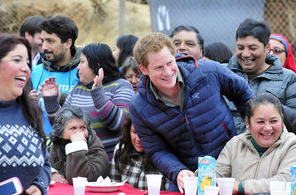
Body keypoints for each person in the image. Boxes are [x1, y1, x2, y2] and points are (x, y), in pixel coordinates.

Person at [130, 32, 253, 192]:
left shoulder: (208, 71)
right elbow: (156, 150)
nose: (167, 72)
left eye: (169, 63)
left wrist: (249, 134)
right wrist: (177, 171)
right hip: (188, 176)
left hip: (229, 167)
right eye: (159, 67)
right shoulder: (139, 106)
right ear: (143, 69)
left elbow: (245, 96)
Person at [41, 43, 134, 160]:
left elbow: (120, 124)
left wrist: (98, 93)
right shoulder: (78, 89)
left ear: (97, 65)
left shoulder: (121, 86)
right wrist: (51, 101)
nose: (78, 67)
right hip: (79, 163)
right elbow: (61, 127)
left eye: (82, 62)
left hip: (112, 165)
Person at [0, 34, 51, 194]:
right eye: (17, 60)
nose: (26, 68)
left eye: (28, 62)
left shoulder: (32, 112)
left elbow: (45, 163)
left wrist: (38, 186)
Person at [216, 93, 296, 194]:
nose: (267, 128)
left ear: (282, 119)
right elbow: (216, 175)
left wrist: (242, 187)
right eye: (260, 122)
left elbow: (287, 180)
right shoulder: (235, 144)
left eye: (274, 121)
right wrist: (195, 175)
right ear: (248, 122)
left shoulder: (292, 144)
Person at [227, 18, 296, 134]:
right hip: (225, 148)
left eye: (252, 48)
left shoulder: (288, 78)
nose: (245, 54)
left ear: (267, 48)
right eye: (240, 48)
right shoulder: (223, 74)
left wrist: (271, 107)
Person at [30, 15, 81, 137]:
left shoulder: (83, 71)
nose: (44, 47)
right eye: (43, 41)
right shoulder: (35, 72)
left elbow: (90, 109)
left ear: (68, 43)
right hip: (40, 145)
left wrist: (60, 98)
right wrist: (28, 102)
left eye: (50, 41)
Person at [49, 106, 109, 184]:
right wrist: (52, 173)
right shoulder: (55, 147)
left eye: (83, 128)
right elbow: (41, 166)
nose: (79, 132)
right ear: (60, 133)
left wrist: (77, 146)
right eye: (73, 128)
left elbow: (77, 179)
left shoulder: (96, 150)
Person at [110, 116, 169, 190]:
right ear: (128, 131)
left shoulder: (166, 156)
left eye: (144, 134)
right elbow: (114, 186)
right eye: (134, 132)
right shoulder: (121, 149)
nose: (138, 139)